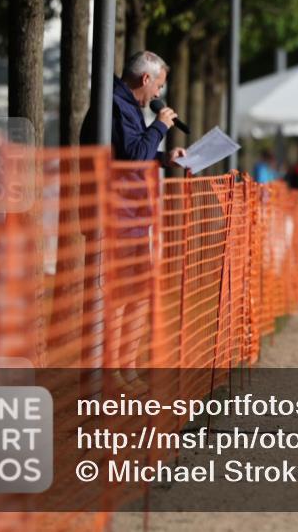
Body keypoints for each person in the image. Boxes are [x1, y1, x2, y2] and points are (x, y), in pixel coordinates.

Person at [80, 50, 186, 394]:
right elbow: (130, 157)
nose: (158, 95)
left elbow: (133, 152)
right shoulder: (114, 104)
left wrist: (162, 158)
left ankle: (126, 369)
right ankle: (106, 375)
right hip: (114, 219)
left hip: (132, 219)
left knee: (138, 294)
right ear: (145, 79)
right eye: (158, 87)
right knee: (114, 297)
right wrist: (160, 126)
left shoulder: (124, 105)